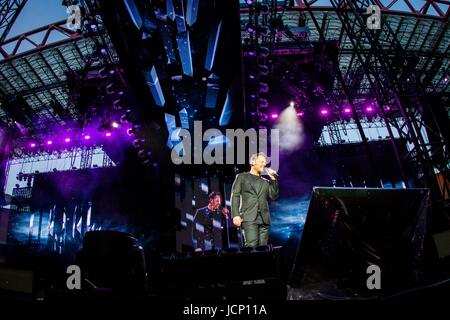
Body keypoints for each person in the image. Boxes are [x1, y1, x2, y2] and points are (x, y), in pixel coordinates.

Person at [231, 152, 279, 247]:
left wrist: (273, 179)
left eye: (265, 162)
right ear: (253, 162)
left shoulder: (266, 182)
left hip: (264, 220)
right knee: (252, 247)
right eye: (262, 161)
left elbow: (274, 196)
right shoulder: (241, 177)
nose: (264, 164)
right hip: (249, 217)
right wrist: (236, 215)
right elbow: (235, 195)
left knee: (263, 249)